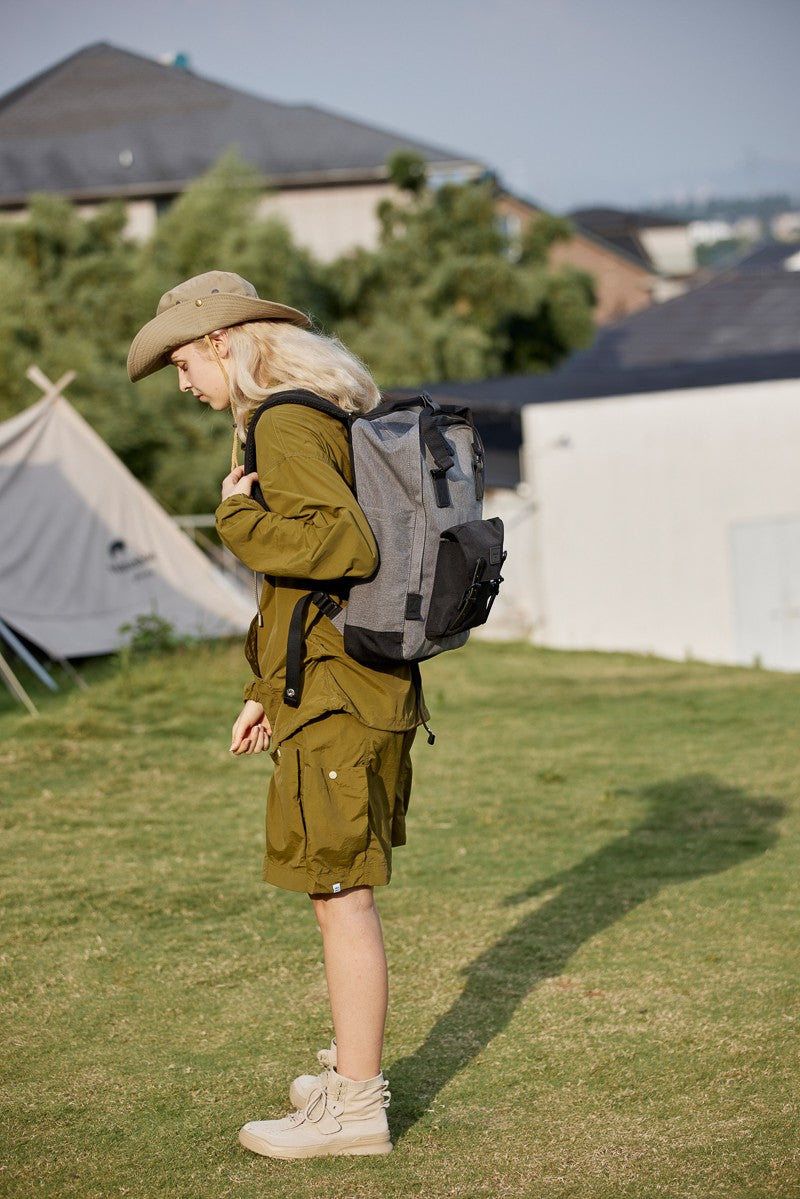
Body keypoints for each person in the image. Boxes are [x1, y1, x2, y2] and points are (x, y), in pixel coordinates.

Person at [128, 271, 420, 1160]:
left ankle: (356, 1107)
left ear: (223, 341)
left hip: (339, 697)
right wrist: (263, 688)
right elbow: (305, 586)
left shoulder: (286, 421)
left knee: (340, 894)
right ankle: (349, 1073)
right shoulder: (316, 413)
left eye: (183, 361)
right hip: (337, 686)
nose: (183, 383)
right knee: (338, 888)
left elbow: (340, 544)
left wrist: (233, 518)